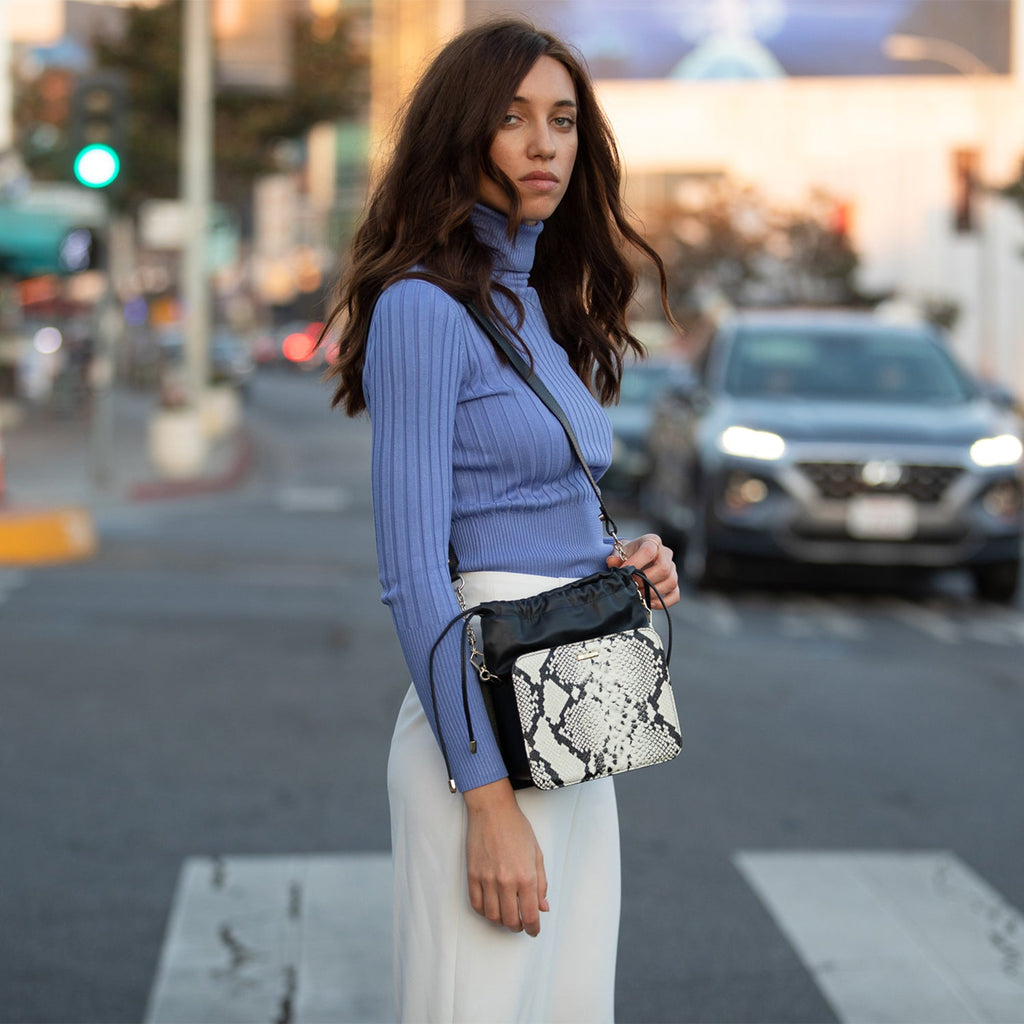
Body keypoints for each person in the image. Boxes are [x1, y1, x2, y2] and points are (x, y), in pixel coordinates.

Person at [323, 19, 680, 1023]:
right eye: (513, 118)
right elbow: (412, 573)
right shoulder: (420, 309)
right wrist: (482, 801)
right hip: (481, 733)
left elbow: (535, 505)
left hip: (575, 713)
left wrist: (628, 555)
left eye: (562, 120)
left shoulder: (538, 304)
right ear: (462, 133)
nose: (544, 144)